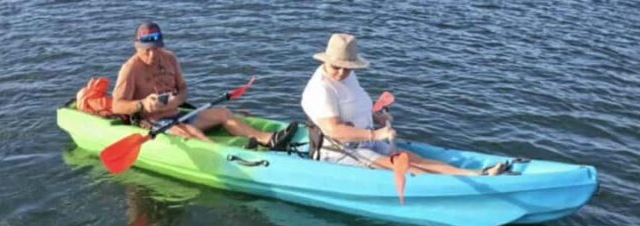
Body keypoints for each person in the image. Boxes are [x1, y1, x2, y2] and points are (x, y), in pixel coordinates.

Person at [301, 34, 506, 175]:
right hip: (339, 150)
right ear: (326, 61)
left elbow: (354, 106)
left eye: (347, 67)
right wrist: (375, 134)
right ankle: (463, 186)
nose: (341, 72)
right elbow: (334, 130)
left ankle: (476, 174)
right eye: (336, 67)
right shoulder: (321, 88)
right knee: (407, 169)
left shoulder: (347, 76)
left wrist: (377, 117)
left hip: (364, 142)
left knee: (414, 159)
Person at [112, 22, 297, 149]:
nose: (153, 55)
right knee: (192, 132)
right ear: (137, 47)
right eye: (147, 50)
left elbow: (183, 89)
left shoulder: (169, 58)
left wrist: (177, 100)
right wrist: (142, 104)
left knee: (223, 113)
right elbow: (116, 105)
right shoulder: (130, 69)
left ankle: (269, 139)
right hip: (152, 121)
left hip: (177, 113)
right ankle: (227, 156)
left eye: (156, 48)